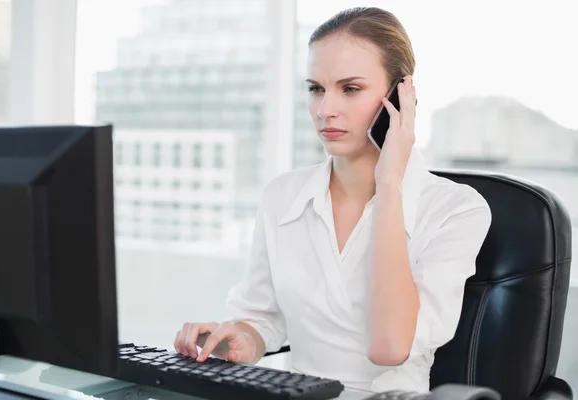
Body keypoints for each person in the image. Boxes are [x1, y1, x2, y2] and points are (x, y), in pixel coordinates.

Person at [173, 6, 492, 393]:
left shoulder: (455, 210)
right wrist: (241, 339)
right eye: (316, 88)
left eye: (350, 89)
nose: (325, 110)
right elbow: (262, 318)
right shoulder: (282, 196)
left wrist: (389, 184)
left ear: (401, 95)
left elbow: (390, 347)